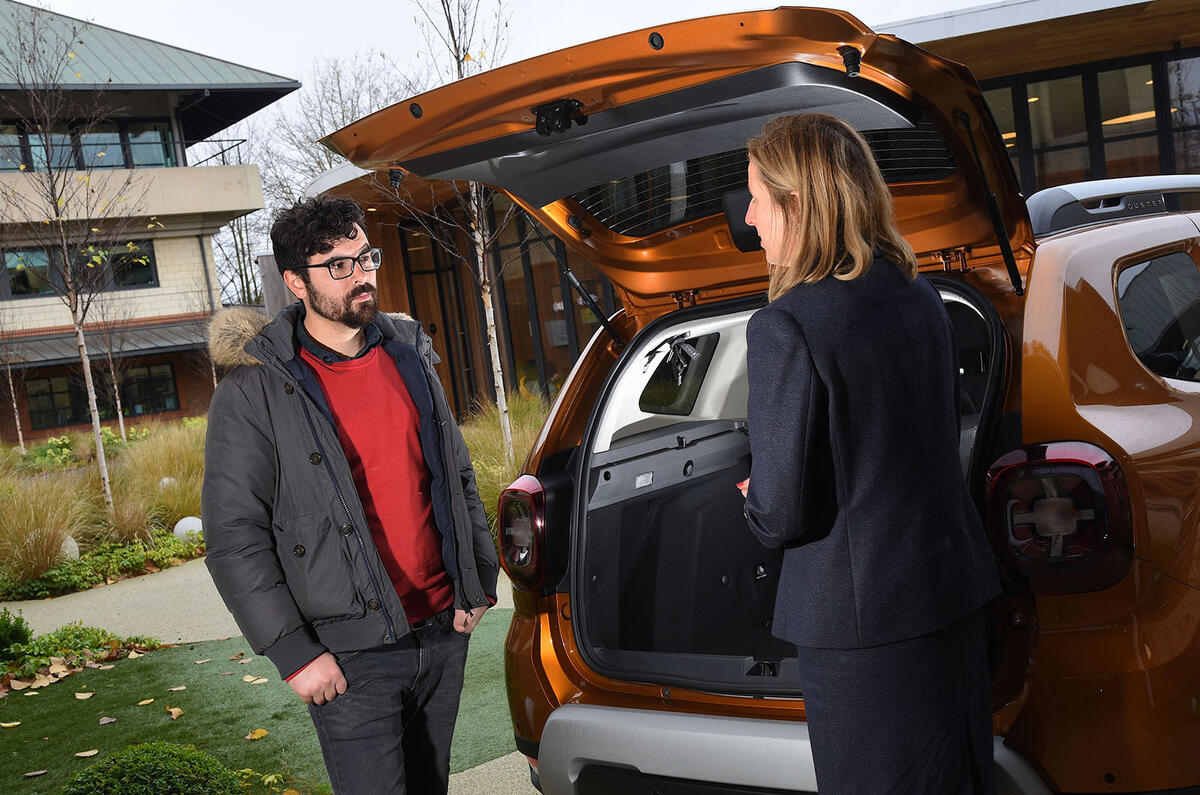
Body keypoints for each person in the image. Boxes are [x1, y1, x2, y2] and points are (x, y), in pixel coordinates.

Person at [738, 114, 1001, 794]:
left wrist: (755, 499)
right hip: (949, 602)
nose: (748, 218)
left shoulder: (785, 326)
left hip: (863, 638)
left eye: (758, 200)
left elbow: (782, 513)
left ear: (797, 204)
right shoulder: (919, 295)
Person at [202, 196, 499, 794]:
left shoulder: (409, 352)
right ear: (295, 282)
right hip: (347, 658)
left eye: (366, 257)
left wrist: (477, 582)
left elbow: (455, 474)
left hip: (442, 631)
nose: (362, 275)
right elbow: (235, 537)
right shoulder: (254, 392)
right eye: (338, 265)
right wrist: (293, 652)